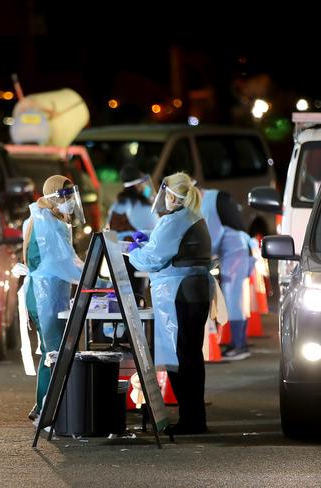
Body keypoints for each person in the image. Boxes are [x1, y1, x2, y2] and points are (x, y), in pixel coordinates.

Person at [129, 172, 213, 435]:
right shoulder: (194, 216)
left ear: (171, 195)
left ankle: (191, 421)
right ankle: (195, 417)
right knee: (192, 355)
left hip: (178, 292)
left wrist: (133, 252)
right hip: (195, 290)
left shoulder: (174, 221)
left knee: (180, 357)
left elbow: (151, 259)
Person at [22, 175, 86, 423]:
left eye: (71, 197)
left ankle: (46, 407)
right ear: (52, 197)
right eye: (65, 197)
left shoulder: (44, 217)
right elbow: (63, 262)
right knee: (55, 354)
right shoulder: (45, 222)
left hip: (47, 294)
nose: (69, 202)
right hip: (43, 295)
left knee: (53, 351)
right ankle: (47, 410)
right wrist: (96, 279)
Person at [200, 189, 252, 360]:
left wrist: (200, 255)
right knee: (235, 300)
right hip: (240, 251)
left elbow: (213, 239)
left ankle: (239, 346)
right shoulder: (215, 195)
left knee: (233, 300)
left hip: (235, 256)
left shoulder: (208, 202)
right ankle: (238, 343)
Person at [106, 164, 158, 239]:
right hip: (138, 248)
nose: (146, 186)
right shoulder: (144, 206)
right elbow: (155, 233)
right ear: (137, 186)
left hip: (115, 248)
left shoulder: (116, 205)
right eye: (143, 182)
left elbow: (109, 232)